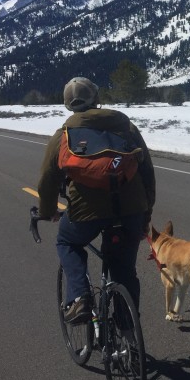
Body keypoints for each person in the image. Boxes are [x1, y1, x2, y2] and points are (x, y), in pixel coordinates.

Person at [38, 76, 155, 324]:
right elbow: (147, 174)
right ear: (97, 99)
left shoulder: (64, 135)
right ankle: (128, 330)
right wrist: (146, 214)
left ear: (68, 105)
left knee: (66, 241)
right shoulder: (127, 128)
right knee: (125, 271)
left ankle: (80, 298)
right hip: (131, 210)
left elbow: (48, 180)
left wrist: (48, 210)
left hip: (86, 213)